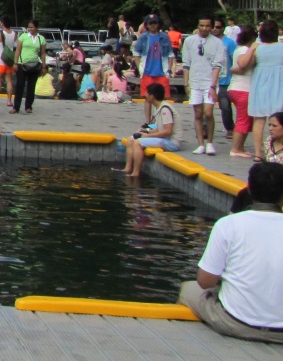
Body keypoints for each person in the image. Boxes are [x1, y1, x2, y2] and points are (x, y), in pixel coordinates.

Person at [177, 162, 283, 344]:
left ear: (249, 189)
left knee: (188, 288)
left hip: (236, 323)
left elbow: (205, 281)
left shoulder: (228, 224)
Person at [116, 83, 181, 177]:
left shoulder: (165, 109)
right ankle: (127, 168)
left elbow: (168, 131)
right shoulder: (158, 107)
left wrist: (147, 135)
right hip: (165, 138)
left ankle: (135, 173)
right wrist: (145, 131)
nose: (145, 95)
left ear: (152, 96)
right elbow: (158, 127)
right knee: (131, 140)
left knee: (138, 143)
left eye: (147, 93)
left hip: (172, 142)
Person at [183, 16, 226, 156]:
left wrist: (213, 86)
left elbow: (217, 66)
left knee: (208, 112)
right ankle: (200, 143)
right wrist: (186, 83)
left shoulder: (218, 43)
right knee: (198, 113)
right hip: (195, 81)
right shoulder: (189, 41)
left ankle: (210, 143)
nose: (204, 28)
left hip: (209, 82)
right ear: (198, 25)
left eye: (207, 26)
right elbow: (186, 64)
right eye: (202, 25)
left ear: (211, 27)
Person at [246, 19, 283, 164]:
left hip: (261, 84)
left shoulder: (258, 49)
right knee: (280, 119)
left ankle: (258, 153)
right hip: (279, 84)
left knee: (259, 120)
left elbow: (245, 64)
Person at [133, 16, 176, 124]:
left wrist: (169, 69)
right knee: (148, 98)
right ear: (146, 25)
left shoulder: (164, 37)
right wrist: (140, 68)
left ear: (158, 24)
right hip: (147, 72)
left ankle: (160, 121)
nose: (153, 25)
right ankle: (148, 122)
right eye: (150, 23)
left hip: (162, 72)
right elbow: (136, 53)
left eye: (155, 23)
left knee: (162, 99)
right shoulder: (143, 37)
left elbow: (170, 54)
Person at [228, 26, 258, 160]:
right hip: (242, 89)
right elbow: (242, 64)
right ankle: (235, 149)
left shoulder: (238, 49)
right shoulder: (245, 49)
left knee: (245, 119)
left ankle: (240, 147)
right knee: (243, 120)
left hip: (239, 88)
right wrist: (253, 49)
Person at [11, 20, 48, 114]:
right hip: (22, 63)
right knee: (19, 85)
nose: (30, 29)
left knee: (31, 86)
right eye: (29, 27)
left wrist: (44, 66)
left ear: (36, 28)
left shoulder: (41, 38)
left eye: (32, 27)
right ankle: (16, 107)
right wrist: (15, 63)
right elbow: (18, 50)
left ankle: (28, 106)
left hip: (34, 64)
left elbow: (43, 53)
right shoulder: (23, 36)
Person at [214, 18, 238, 142]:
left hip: (224, 80)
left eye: (218, 27)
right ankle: (205, 128)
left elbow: (234, 59)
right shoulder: (208, 42)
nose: (215, 29)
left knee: (225, 106)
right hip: (209, 78)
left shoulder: (229, 43)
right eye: (214, 27)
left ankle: (230, 128)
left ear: (223, 28)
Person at [0, 15, 17, 110]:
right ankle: (9, 101)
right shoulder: (14, 33)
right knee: (9, 81)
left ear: (2, 23)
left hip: (0, 60)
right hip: (9, 61)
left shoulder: (0, 33)